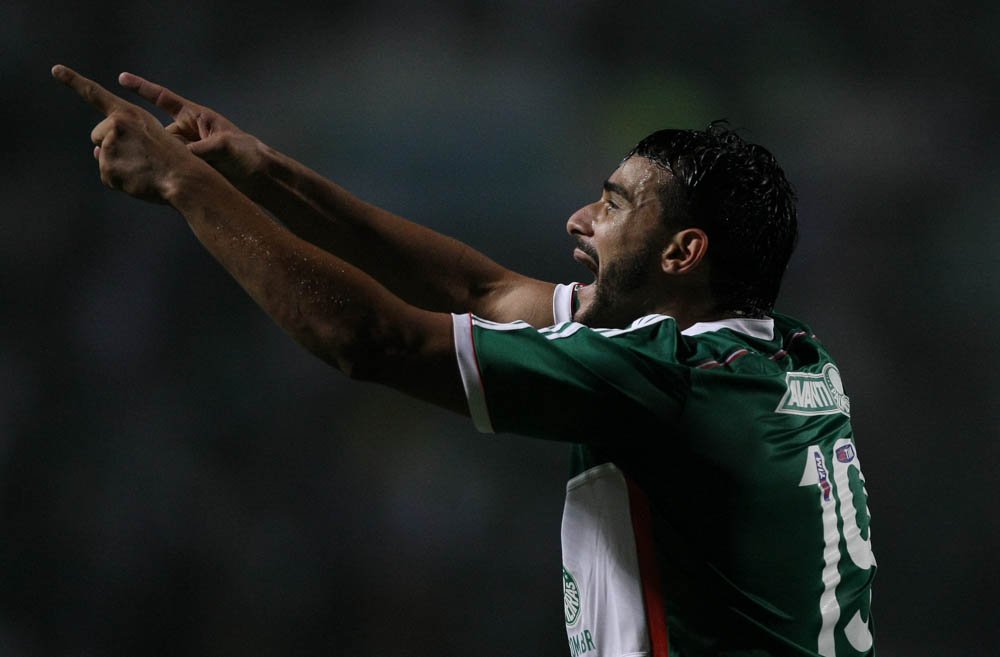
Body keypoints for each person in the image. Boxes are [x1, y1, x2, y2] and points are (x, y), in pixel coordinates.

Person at [52, 64, 876, 657]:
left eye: (615, 204)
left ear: (682, 252)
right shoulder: (787, 357)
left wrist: (182, 186)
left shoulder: (669, 381)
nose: (578, 219)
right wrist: (262, 172)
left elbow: (374, 340)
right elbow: (477, 287)